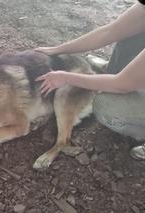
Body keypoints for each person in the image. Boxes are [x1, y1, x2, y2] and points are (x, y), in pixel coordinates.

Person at [36, 1, 145, 160]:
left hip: (123, 83)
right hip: (126, 79)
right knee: (132, 33)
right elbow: (109, 31)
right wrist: (57, 49)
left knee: (106, 106)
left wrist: (65, 77)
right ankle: (123, 70)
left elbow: (121, 85)